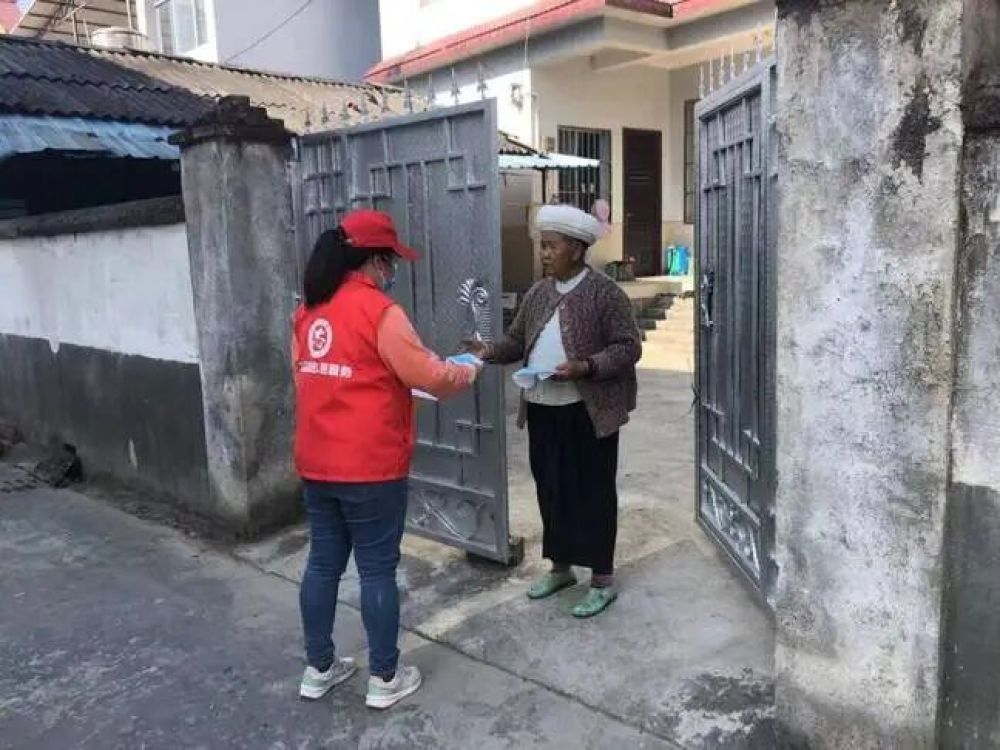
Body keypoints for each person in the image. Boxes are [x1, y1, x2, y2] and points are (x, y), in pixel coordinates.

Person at [292, 209, 480, 709]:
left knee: (323, 564)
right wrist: (468, 368)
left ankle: (318, 668)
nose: (393, 270)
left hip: (316, 461)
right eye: (391, 261)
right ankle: (384, 677)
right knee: (376, 569)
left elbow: (306, 376)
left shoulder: (309, 310)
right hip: (369, 467)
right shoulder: (380, 312)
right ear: (376, 261)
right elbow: (429, 376)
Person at [469, 204, 641, 618]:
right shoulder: (539, 293)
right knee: (550, 487)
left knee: (592, 492)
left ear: (577, 249)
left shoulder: (605, 293)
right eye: (543, 246)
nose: (544, 253)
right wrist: (488, 351)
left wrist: (586, 366)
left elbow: (628, 347)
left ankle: (601, 580)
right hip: (542, 406)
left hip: (588, 411)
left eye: (552, 246)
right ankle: (561, 568)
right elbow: (517, 341)